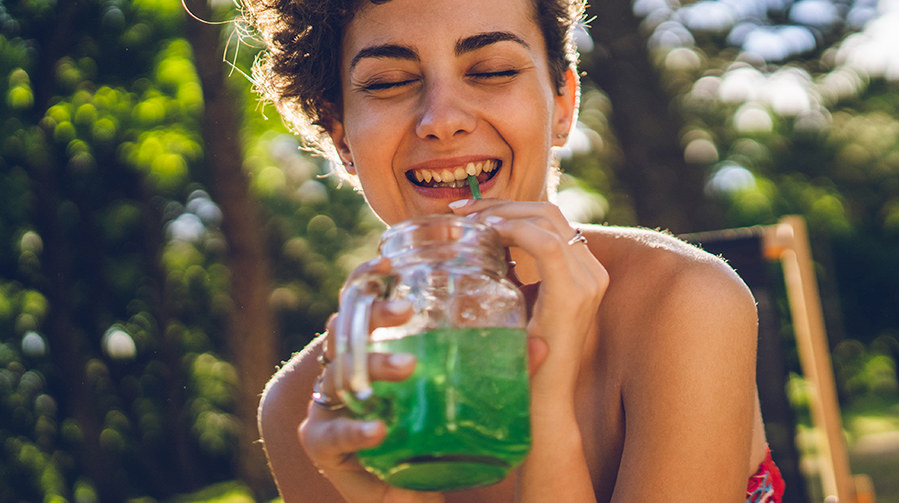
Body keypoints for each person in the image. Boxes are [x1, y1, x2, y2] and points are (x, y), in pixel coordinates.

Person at [242, 0, 783, 501]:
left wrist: (546, 409)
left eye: (493, 71)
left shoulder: (683, 303)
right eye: (390, 82)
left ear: (563, 104)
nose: (443, 119)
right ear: (341, 138)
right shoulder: (311, 412)